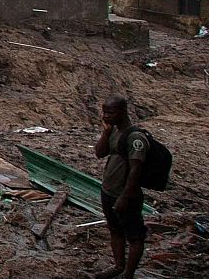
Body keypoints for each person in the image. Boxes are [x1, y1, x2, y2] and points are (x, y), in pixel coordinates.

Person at [93, 96, 149, 279]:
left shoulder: (135, 138)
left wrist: (125, 197)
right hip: (108, 191)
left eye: (110, 112)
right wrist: (106, 134)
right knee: (115, 230)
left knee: (134, 236)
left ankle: (128, 274)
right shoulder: (114, 132)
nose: (105, 116)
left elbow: (136, 171)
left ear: (123, 112)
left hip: (125, 195)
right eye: (104, 112)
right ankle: (118, 266)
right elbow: (99, 153)